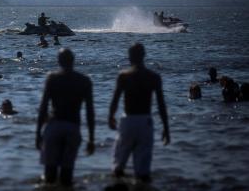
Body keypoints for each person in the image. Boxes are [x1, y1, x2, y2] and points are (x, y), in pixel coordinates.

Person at [108, 43, 170, 183]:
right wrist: (166, 128)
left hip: (128, 121)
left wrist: (110, 117)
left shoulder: (124, 76)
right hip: (145, 122)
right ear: (144, 55)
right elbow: (161, 105)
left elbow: (115, 100)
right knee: (143, 170)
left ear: (129, 57)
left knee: (118, 165)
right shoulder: (154, 77)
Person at [36, 48, 95, 187]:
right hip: (73, 126)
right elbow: (90, 111)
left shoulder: (53, 78)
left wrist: (38, 133)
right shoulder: (84, 80)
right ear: (73, 60)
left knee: (49, 176)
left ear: (59, 61)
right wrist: (91, 138)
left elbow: (43, 107)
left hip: (54, 125)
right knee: (67, 176)